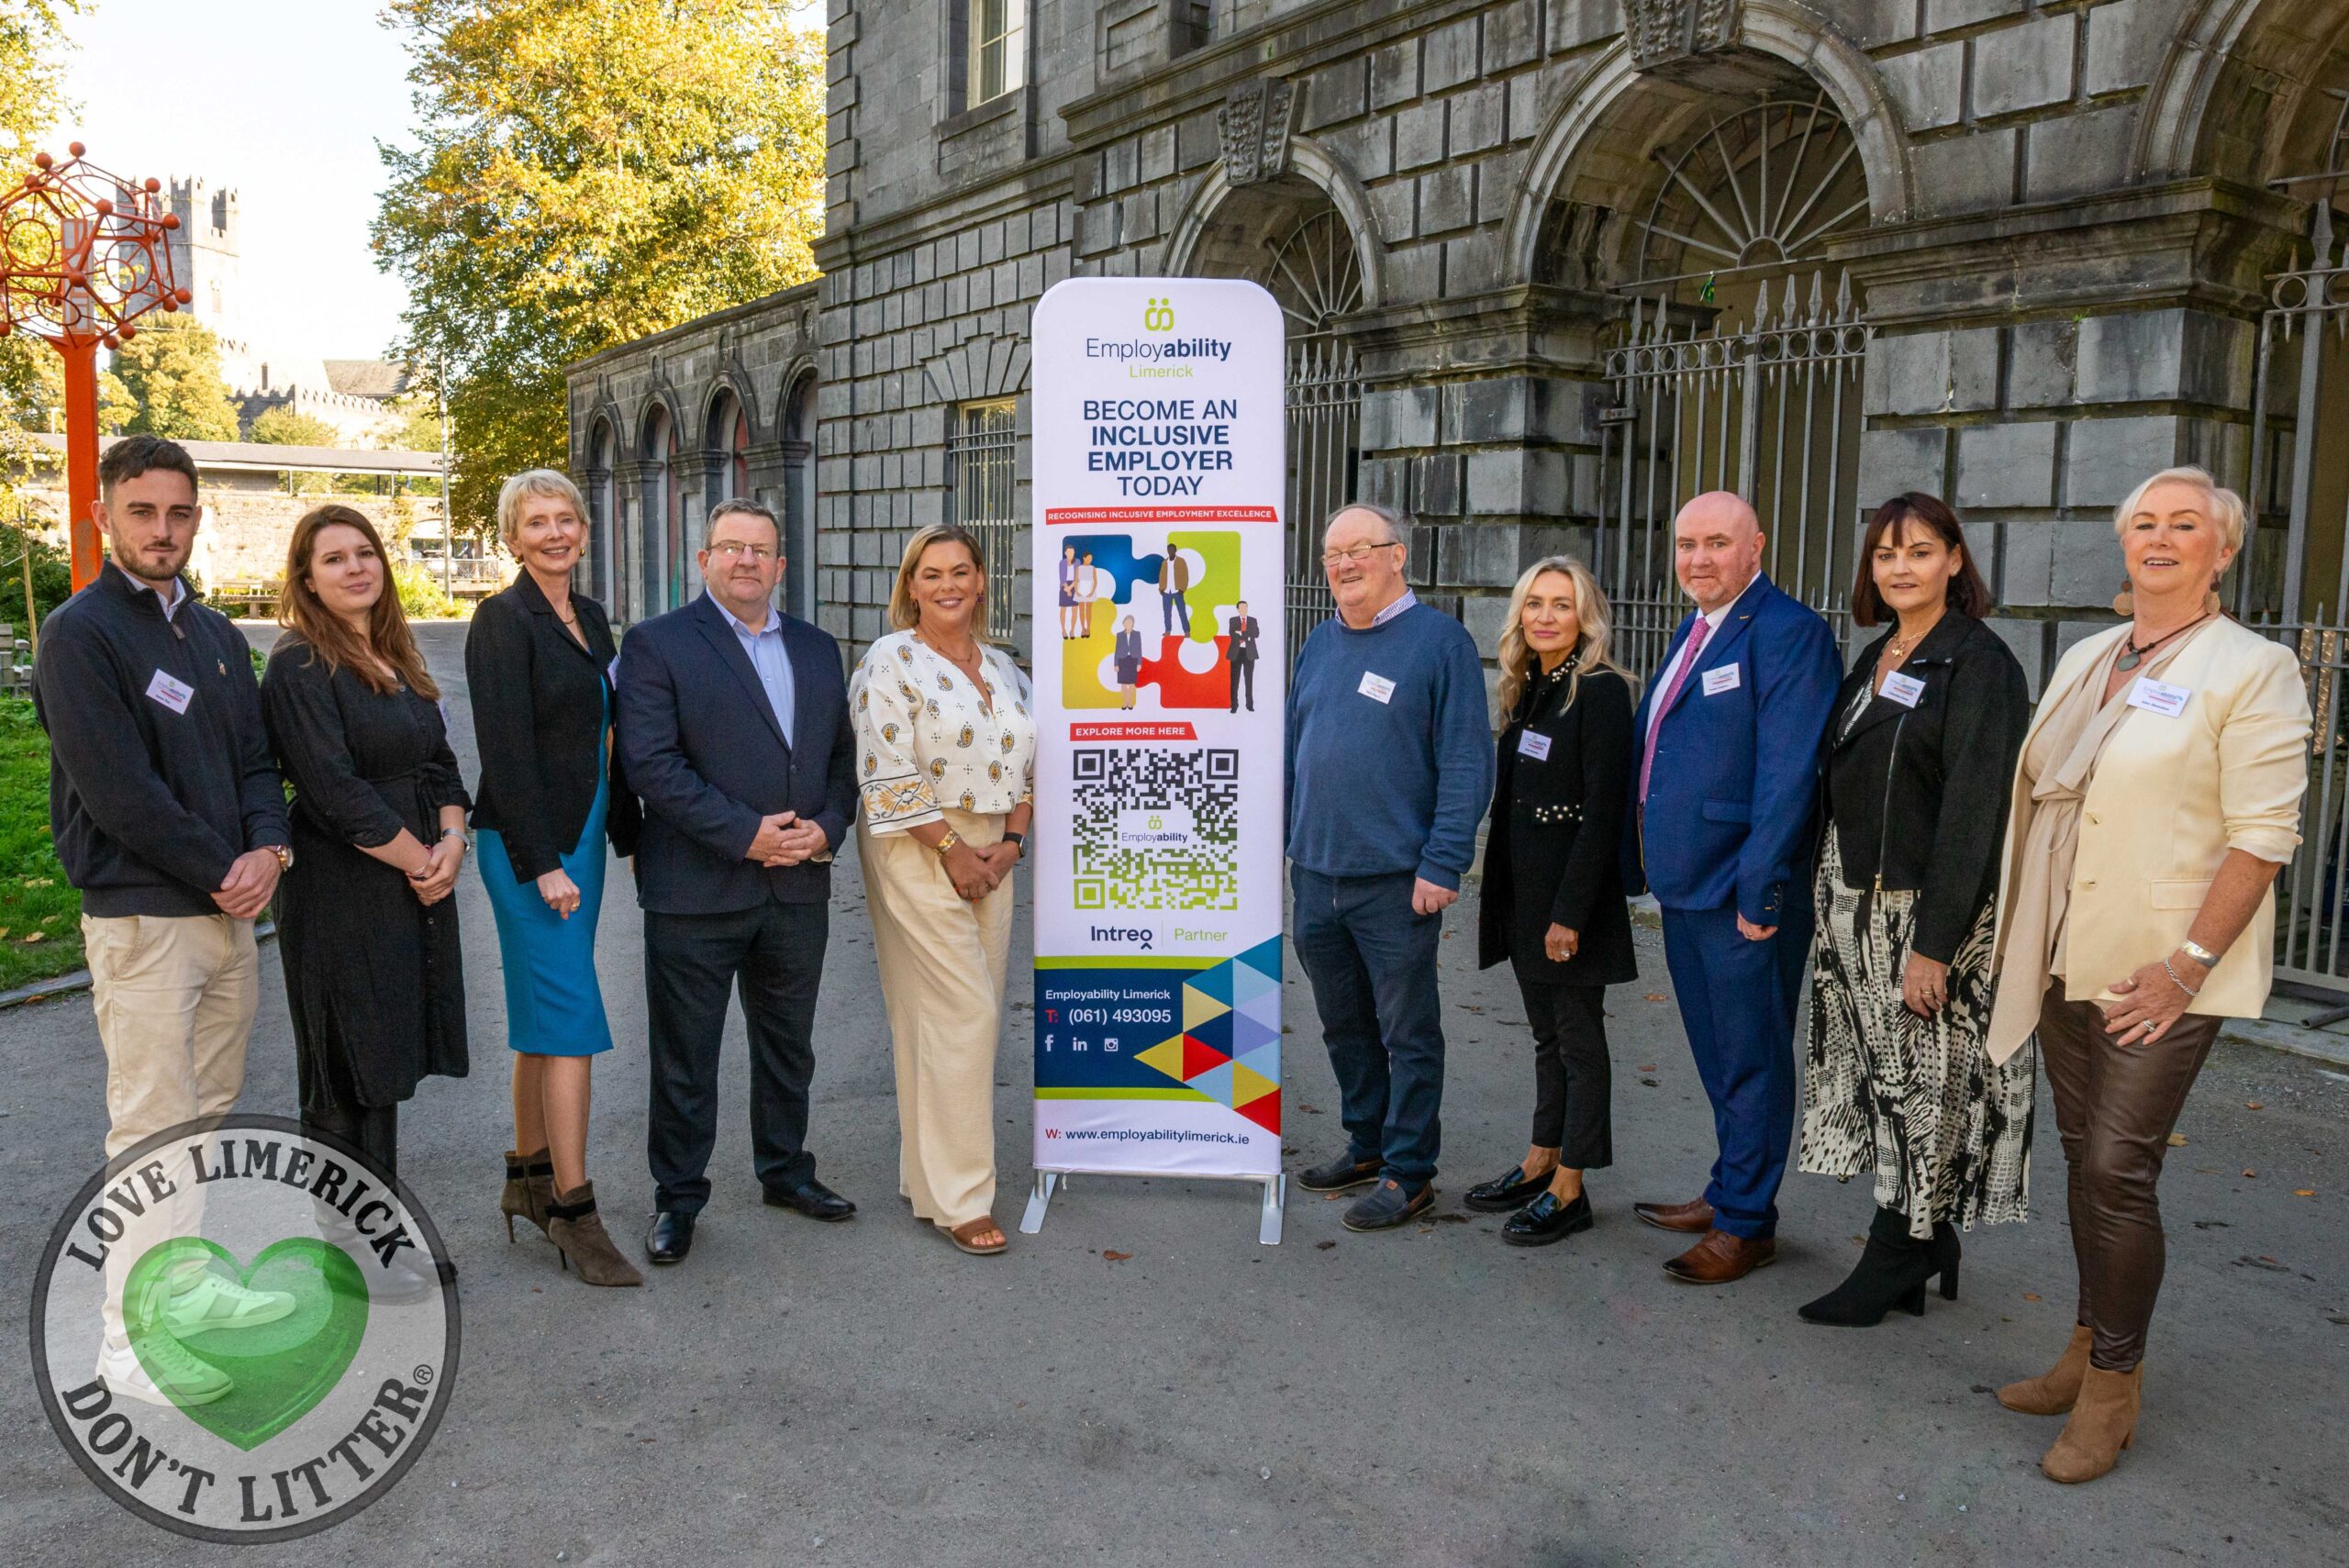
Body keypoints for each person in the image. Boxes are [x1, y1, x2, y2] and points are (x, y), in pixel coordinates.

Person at [1986, 467, 2309, 1484]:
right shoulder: (2090, 654)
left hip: (2160, 967)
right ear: (2124, 545)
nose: (2159, 539)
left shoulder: (2252, 668)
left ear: (2222, 550)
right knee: (2086, 1157)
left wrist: (2186, 967)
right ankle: (2086, 1346)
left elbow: (2261, 840)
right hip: (2066, 947)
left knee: (2120, 1169)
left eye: (2184, 525)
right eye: (2144, 525)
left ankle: (2114, 1386)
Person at [35, 434, 295, 1405]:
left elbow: (258, 763)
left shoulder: (217, 636)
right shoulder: (80, 632)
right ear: (106, 516)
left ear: (197, 515)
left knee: (205, 1118)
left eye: (178, 511)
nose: (162, 529)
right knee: (151, 1129)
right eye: (142, 511)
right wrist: (221, 865)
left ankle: (186, 1293)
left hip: (230, 913)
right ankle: (128, 1345)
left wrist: (268, 848)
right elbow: (117, 791)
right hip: (147, 919)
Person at [1796, 494, 2034, 1326]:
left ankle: (1901, 1245)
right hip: (1853, 904)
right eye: (1886, 554)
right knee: (1879, 1081)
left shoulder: (1980, 665)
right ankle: (1921, 1235)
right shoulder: (1879, 656)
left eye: (1921, 551)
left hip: (1921, 915)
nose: (1900, 567)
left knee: (1920, 1089)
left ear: (1956, 561)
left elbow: (1976, 811)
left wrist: (1934, 944)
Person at [617, 498, 859, 1266]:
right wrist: (747, 835)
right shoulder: (657, 645)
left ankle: (786, 1171)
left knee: (789, 1046)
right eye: (731, 547)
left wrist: (827, 825)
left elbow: (840, 763)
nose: (747, 560)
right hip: (697, 889)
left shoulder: (820, 648)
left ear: (781, 565)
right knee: (685, 1054)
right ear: (704, 560)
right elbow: (651, 764)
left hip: (797, 886)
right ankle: (678, 1198)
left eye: (761, 550)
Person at [1626, 491, 1840, 1284]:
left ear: (1756, 546)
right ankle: (1727, 1189)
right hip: (1685, 883)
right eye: (1686, 543)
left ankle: (1748, 1222)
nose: (1698, 558)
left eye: (1717, 542)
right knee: (1719, 1054)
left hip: (1741, 889)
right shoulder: (1699, 627)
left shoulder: (1788, 633)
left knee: (1751, 1056)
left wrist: (1762, 892)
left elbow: (1788, 777)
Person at [1286, 503, 1494, 1230]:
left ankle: (1411, 1171)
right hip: (1315, 873)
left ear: (1397, 556)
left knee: (1408, 1030)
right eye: (1331, 553)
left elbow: (1468, 761)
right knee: (1343, 1023)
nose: (1343, 564)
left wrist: (1444, 862)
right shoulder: (1319, 642)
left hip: (1397, 880)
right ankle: (1367, 1141)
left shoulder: (1440, 643)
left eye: (1360, 549)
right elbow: (1296, 748)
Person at [466, 469, 645, 1286]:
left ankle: (526, 1177)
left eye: (564, 518)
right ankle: (576, 1210)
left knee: (545, 1012)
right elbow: (504, 750)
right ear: (512, 539)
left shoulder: (593, 616)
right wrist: (542, 864)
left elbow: (605, 728)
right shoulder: (501, 621)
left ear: (582, 527)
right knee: (572, 1018)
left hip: (581, 837)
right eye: (535, 522)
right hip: (532, 849)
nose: (554, 532)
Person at [262, 506, 470, 1189]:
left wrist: (452, 841)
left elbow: (439, 760)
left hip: (408, 874)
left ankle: (379, 1233)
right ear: (308, 579)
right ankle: (347, 1250)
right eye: (334, 558)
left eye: (365, 552)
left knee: (381, 1058)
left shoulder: (395, 650)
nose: (355, 567)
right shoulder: (298, 662)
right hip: (341, 886)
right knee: (343, 1066)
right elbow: (332, 789)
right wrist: (424, 864)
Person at [853, 524, 1037, 1255]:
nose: (948, 584)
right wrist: (957, 852)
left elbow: (1029, 764)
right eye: (931, 575)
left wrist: (1012, 844)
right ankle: (962, 1197)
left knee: (956, 1012)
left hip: (995, 846)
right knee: (963, 1009)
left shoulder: (1004, 666)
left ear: (982, 579)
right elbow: (886, 769)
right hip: (917, 841)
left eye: (961, 570)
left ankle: (924, 1174)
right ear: (910, 586)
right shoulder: (889, 660)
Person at [1468, 557, 1638, 1246]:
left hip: (1571, 903)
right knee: (1547, 1036)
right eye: (1534, 603)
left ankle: (1571, 1185)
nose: (1544, 615)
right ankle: (1541, 1156)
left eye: (1561, 605)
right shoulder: (1530, 685)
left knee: (1578, 1041)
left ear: (1585, 616)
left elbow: (1602, 815)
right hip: (1525, 895)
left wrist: (1568, 913)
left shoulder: (1597, 691)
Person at [1227, 600, 1261, 713]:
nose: (1243, 610)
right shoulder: (1233, 620)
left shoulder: (1253, 620)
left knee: (1249, 680)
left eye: (1245, 607)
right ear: (1237, 609)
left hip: (1249, 652)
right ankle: (1234, 706)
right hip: (1236, 653)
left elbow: (1256, 634)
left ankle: (1249, 705)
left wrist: (1241, 634)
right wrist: (1248, 635)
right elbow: (1232, 633)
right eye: (1241, 608)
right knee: (1234, 680)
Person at [1157, 547, 1192, 637]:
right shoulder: (1164, 563)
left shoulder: (1181, 561)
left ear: (1175, 550)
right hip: (1166, 592)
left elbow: (1186, 575)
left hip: (1178, 591)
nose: (1170, 551)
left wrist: (1182, 589)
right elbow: (1161, 576)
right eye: (1169, 549)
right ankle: (1168, 631)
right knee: (1167, 613)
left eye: (1172, 549)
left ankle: (1187, 631)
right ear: (1167, 551)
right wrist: (1161, 589)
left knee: (1182, 612)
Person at [1114, 614, 1143, 709]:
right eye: (1126, 622)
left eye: (1130, 623)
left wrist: (1139, 663)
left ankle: (1130, 702)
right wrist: (1116, 664)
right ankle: (1125, 702)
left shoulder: (1137, 634)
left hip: (1133, 660)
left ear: (1133, 624)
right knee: (1123, 683)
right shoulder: (1119, 635)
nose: (1128, 624)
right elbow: (1117, 650)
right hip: (1122, 660)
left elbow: (1139, 649)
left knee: (1131, 684)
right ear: (1123, 624)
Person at [1058, 544, 1080, 639]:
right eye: (1069, 552)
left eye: (1072, 552)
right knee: (1063, 610)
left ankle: (1072, 630)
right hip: (1064, 586)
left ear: (1074, 552)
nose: (1070, 554)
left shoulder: (1077, 562)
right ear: (1065, 553)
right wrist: (1067, 589)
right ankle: (1063, 630)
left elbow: (1077, 578)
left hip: (1074, 586)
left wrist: (1071, 589)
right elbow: (1062, 578)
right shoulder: (1062, 563)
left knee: (1075, 610)